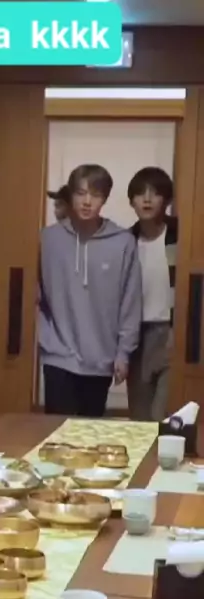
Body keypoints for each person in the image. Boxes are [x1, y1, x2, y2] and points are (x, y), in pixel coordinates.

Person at [38, 163, 142, 417]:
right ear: (70, 196)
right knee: (58, 431)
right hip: (58, 355)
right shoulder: (48, 239)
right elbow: (33, 293)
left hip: (101, 358)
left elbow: (130, 301)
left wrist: (123, 353)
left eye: (95, 195)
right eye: (80, 193)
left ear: (105, 199)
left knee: (88, 430)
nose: (87, 202)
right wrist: (43, 336)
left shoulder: (123, 242)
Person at [127, 167, 177, 422]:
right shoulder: (126, 240)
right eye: (140, 193)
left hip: (171, 332)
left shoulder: (180, 234)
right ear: (131, 201)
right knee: (140, 418)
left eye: (154, 193)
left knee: (164, 418)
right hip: (136, 336)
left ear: (166, 200)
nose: (146, 199)